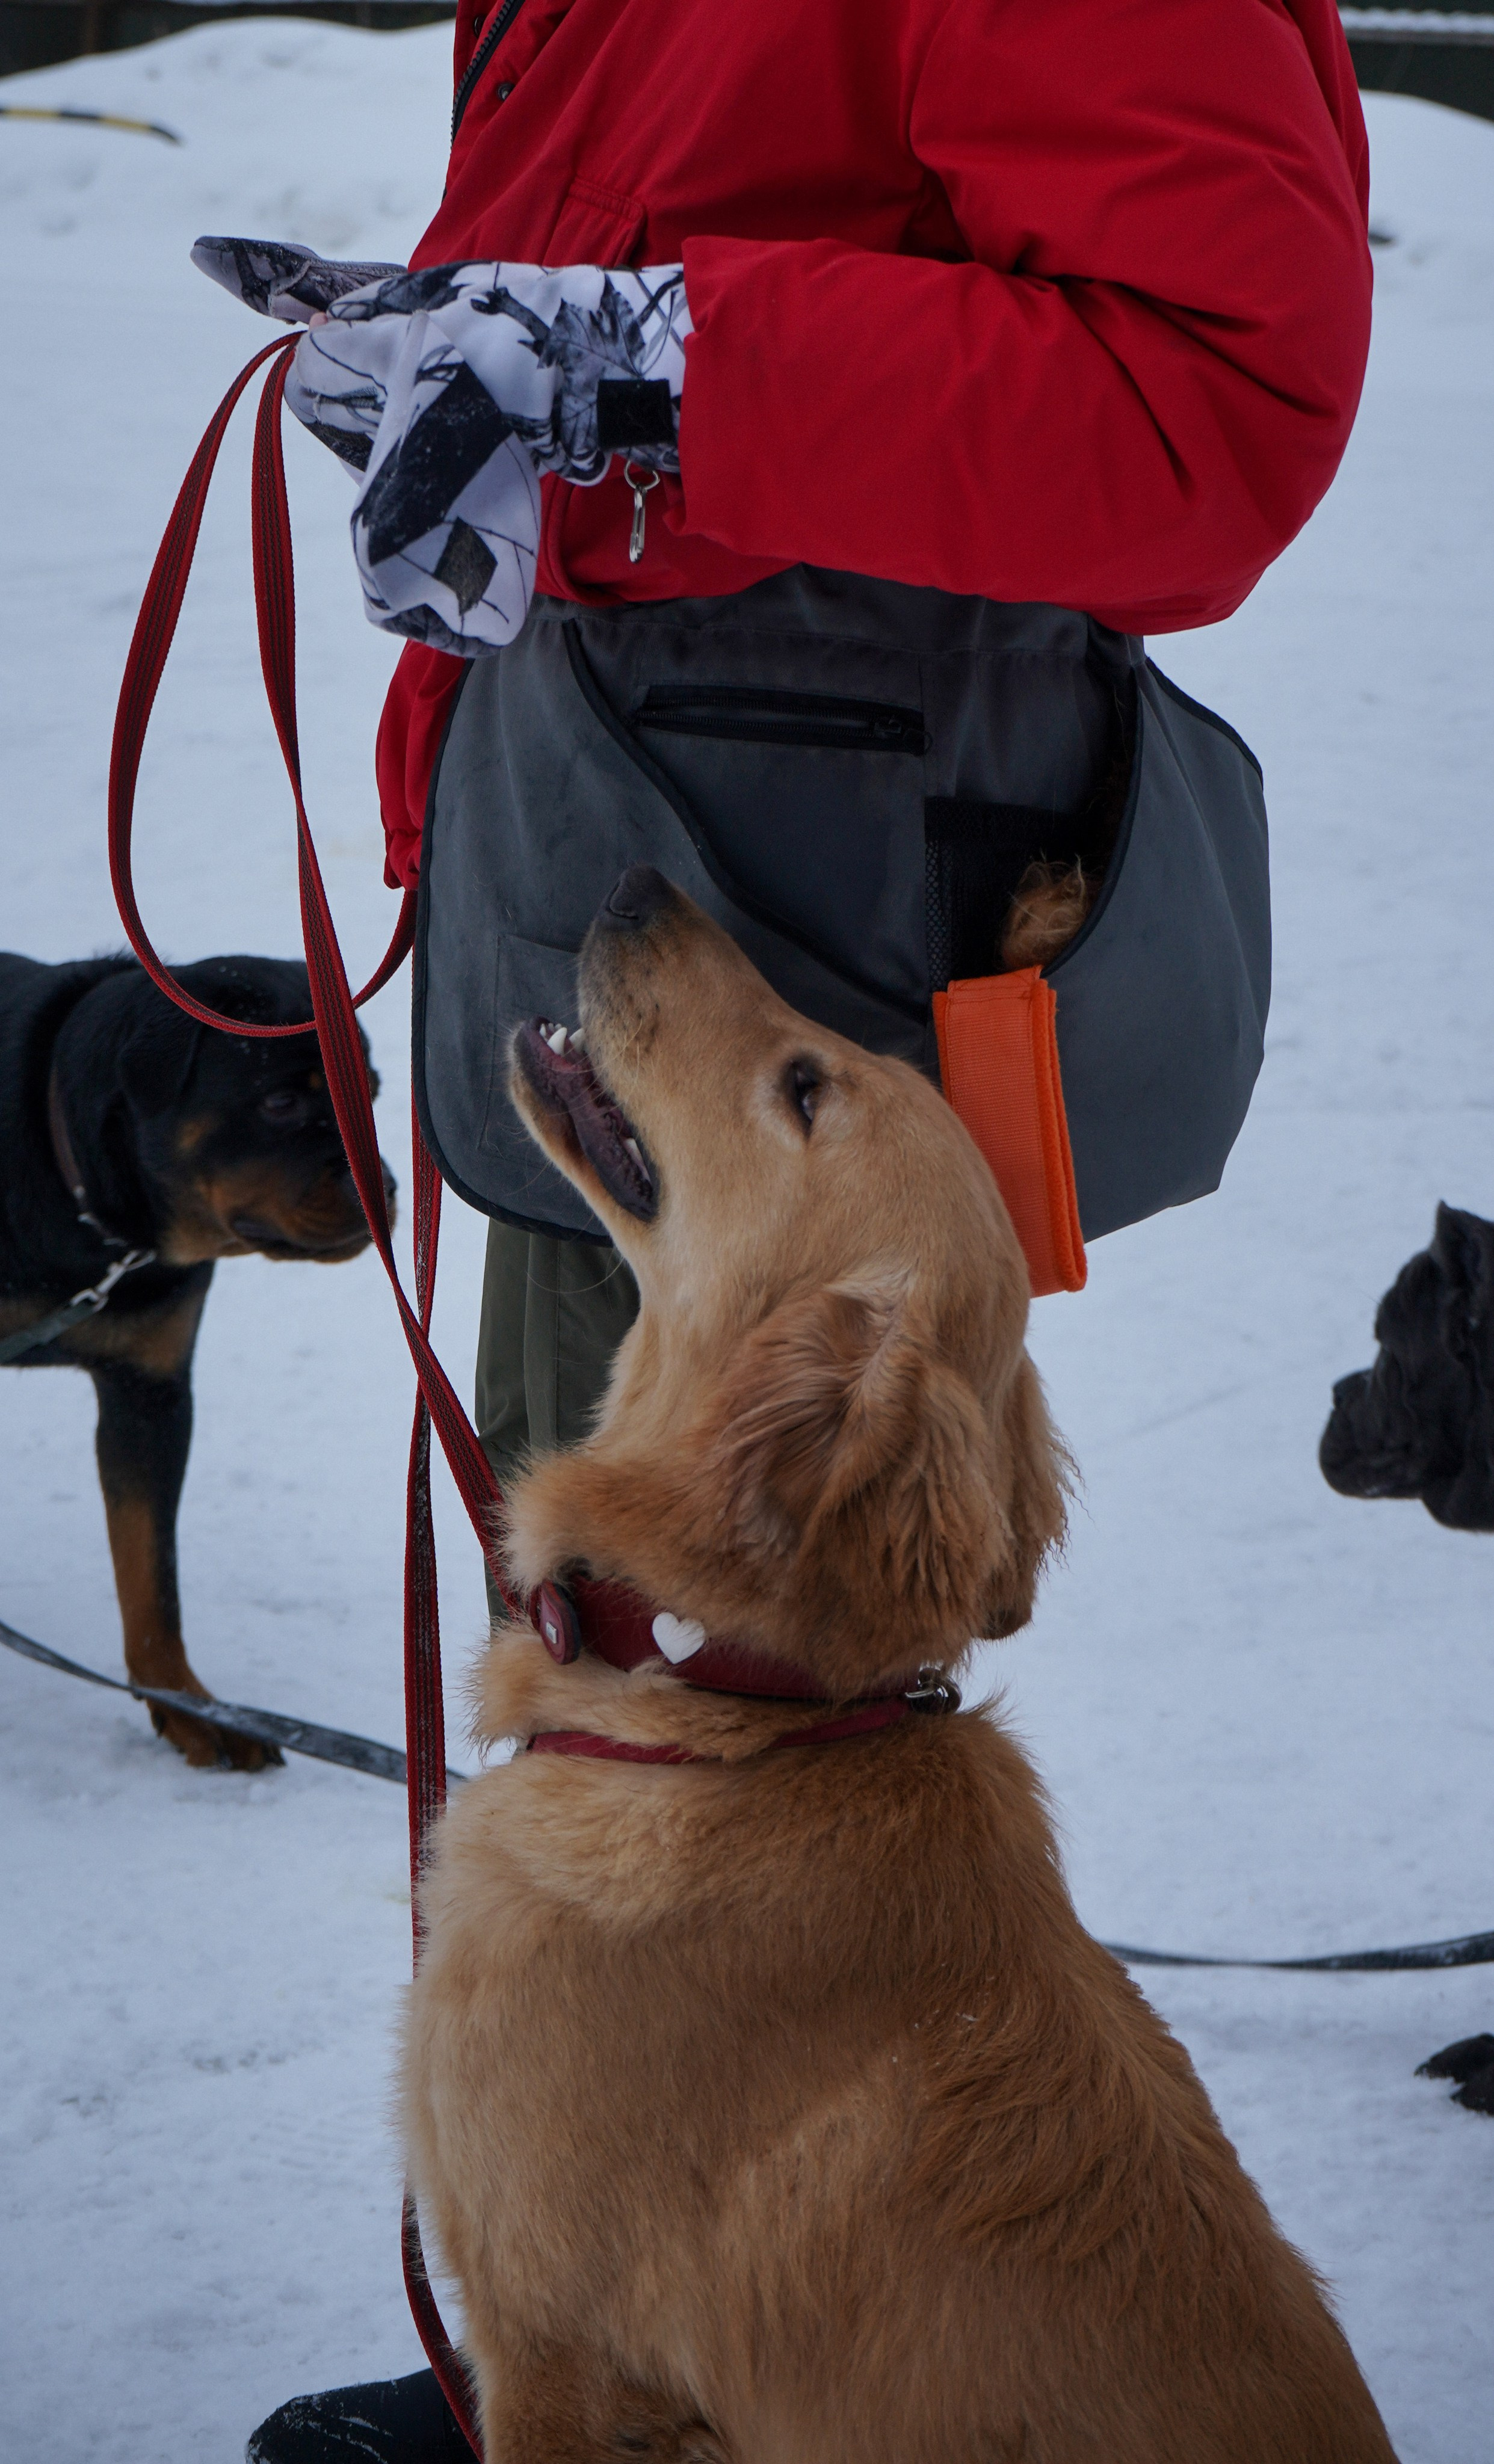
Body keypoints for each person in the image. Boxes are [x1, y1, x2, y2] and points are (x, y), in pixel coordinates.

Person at [231, 0, 1373, 2451]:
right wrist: (485, 373)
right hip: (607, 814)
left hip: (805, 915)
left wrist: (651, 371)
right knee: (632, 1708)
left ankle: (693, 2349)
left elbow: (1206, 408)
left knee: (733, 1698)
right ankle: (636, 2289)